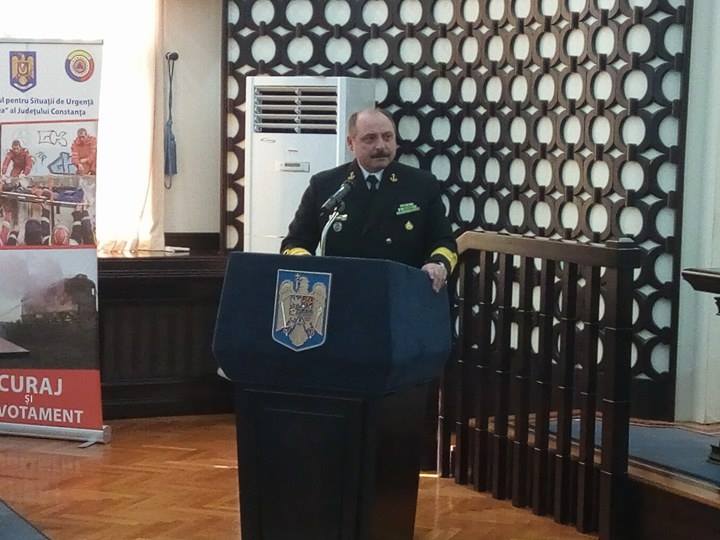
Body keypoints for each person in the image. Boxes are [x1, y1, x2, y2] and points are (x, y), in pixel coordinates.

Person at [280, 108, 457, 292]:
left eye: (387, 137)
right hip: (343, 292)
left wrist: (438, 264)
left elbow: (444, 242)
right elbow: (294, 244)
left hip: (400, 293)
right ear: (351, 143)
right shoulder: (325, 185)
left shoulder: (421, 184)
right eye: (370, 138)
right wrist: (306, 265)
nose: (381, 146)